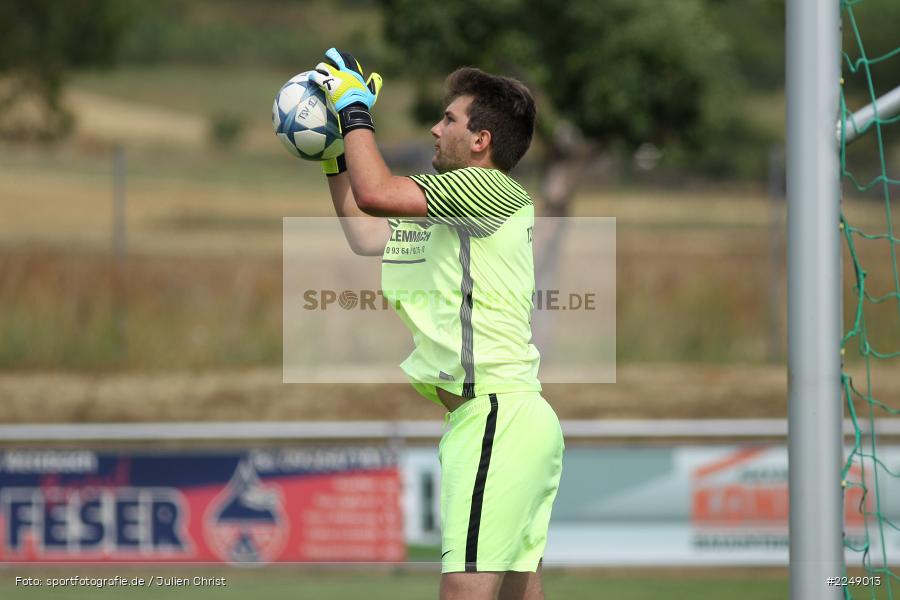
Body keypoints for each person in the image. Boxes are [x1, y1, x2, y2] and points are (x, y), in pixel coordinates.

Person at [308, 48, 564, 600]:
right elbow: (366, 230)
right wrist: (334, 153)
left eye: (449, 118)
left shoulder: (487, 188)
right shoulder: (454, 208)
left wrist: (353, 110)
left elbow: (375, 194)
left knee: (464, 593)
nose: (434, 126)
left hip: (498, 417)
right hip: (503, 418)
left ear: (481, 142)